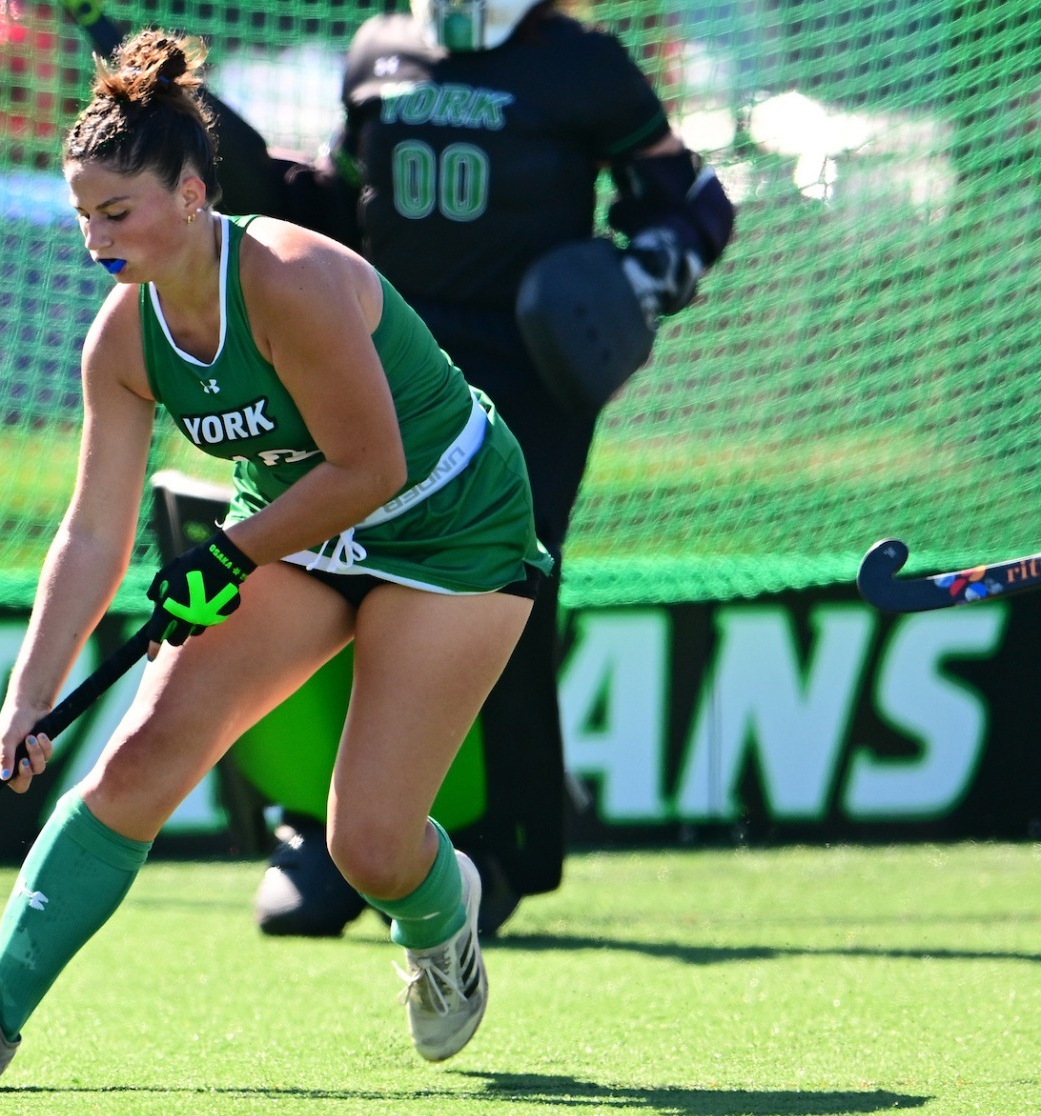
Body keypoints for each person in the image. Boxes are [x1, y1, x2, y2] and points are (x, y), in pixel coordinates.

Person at [0, 30, 552, 1088]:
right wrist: (26, 697)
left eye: (117, 212)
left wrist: (223, 554)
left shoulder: (288, 279)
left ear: (188, 193)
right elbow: (90, 531)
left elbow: (369, 463)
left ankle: (440, 912)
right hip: (299, 529)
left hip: (449, 525)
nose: (96, 239)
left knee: (364, 843)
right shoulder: (123, 339)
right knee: (139, 753)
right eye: (82, 215)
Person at [209, 0, 736, 939]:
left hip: (528, 379)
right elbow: (345, 198)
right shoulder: (379, 48)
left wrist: (638, 277)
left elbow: (687, 200)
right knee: (334, 575)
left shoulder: (585, 64)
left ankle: (503, 844)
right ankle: (330, 836)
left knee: (500, 593)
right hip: (390, 368)